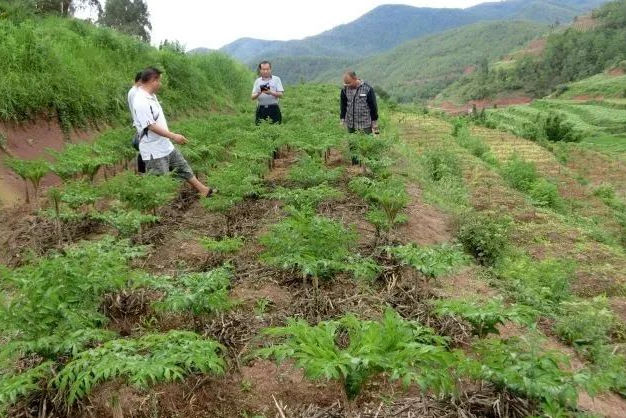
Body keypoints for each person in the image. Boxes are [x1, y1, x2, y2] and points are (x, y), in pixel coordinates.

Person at [132, 67, 215, 197]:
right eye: (159, 81)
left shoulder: (151, 96)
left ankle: (203, 190)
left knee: (183, 167)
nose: (160, 84)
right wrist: (174, 136)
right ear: (153, 80)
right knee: (160, 183)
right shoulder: (141, 100)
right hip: (154, 149)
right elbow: (151, 126)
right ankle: (153, 212)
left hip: (165, 145)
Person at [340, 70, 379, 134]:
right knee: (352, 142)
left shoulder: (367, 89)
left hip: (364, 125)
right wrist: (342, 119)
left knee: (366, 143)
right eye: (346, 84)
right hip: (350, 125)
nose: (347, 85)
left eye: (349, 83)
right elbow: (343, 105)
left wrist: (374, 122)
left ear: (355, 78)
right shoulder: (344, 89)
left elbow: (373, 106)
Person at [128, 71, 145, 173]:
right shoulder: (134, 92)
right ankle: (142, 173)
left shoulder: (135, 91)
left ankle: (142, 173)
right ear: (140, 80)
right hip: (141, 125)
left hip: (140, 125)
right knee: (143, 149)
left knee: (143, 149)